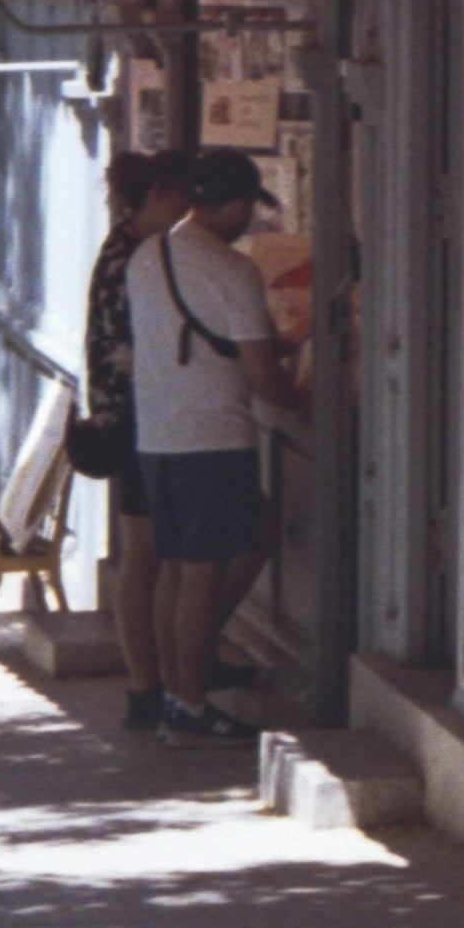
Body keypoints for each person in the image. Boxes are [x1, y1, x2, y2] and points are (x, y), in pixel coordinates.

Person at [122, 146, 298, 748]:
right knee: (203, 577)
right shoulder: (232, 270)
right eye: (251, 208)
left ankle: (178, 694)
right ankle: (192, 704)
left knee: (177, 568)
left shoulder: (147, 255)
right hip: (214, 437)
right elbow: (265, 381)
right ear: (241, 204)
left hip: (158, 437)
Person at [80, 149, 195, 730]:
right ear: (157, 196)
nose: (188, 204)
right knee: (146, 554)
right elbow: (135, 346)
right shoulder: (134, 257)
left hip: (132, 416)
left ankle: (158, 677)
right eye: (180, 194)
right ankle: (150, 683)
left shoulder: (130, 250)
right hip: (136, 419)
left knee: (147, 554)